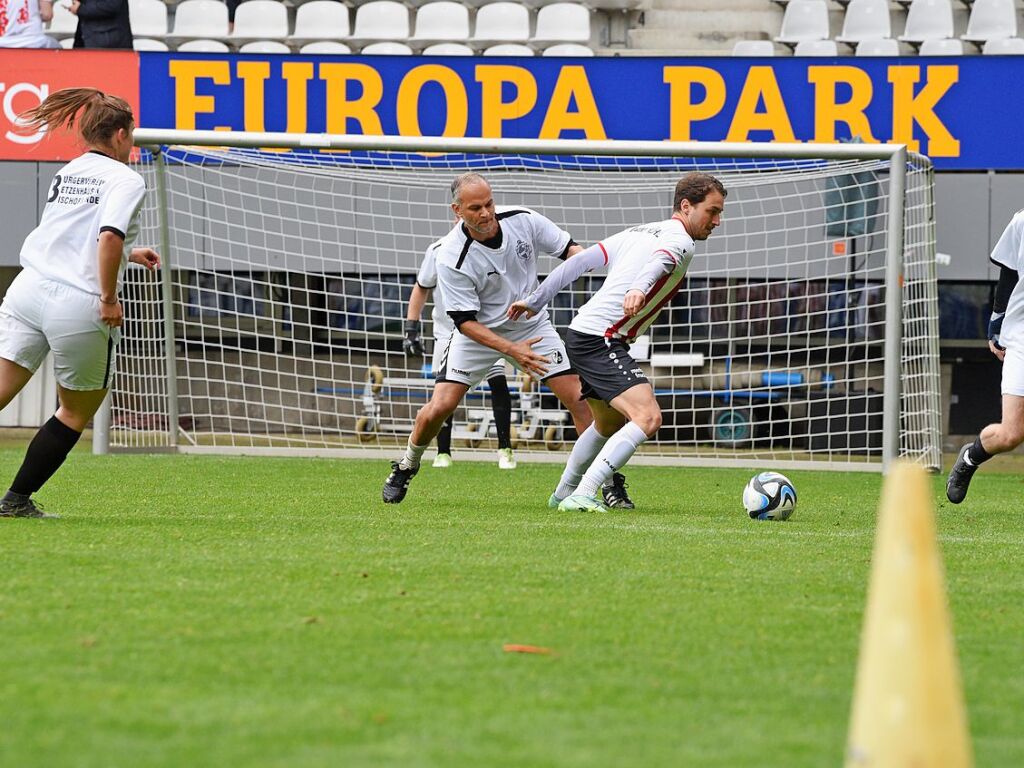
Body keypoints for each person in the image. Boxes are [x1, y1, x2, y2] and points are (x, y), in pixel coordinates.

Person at [381, 172, 634, 508]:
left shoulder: (523, 220)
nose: (485, 213)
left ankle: (607, 483)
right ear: (457, 211)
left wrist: (594, 265)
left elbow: (571, 250)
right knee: (440, 407)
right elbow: (465, 323)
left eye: (489, 203)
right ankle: (406, 465)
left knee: (581, 399)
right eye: (475, 208)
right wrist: (512, 351)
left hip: (532, 327)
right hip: (476, 336)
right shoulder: (451, 255)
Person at [508, 172, 726, 512]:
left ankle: (563, 493)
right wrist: (639, 287)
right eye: (712, 211)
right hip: (601, 338)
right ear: (686, 206)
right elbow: (660, 262)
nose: (717, 221)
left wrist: (536, 299)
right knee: (648, 417)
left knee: (607, 424)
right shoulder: (680, 240)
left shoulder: (639, 231)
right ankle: (586, 491)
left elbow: (579, 262)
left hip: (583, 333)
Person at [0, 88, 159, 518]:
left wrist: (130, 252)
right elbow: (108, 235)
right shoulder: (127, 178)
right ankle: (15, 501)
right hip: (78, 301)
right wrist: (109, 297)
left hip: (29, 287)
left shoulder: (70, 170)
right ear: (122, 134)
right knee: (74, 410)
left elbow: (79, 234)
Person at [404, 240, 517, 470]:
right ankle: (443, 452)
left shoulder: (488, 248)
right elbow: (421, 286)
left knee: (498, 382)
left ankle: (505, 449)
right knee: (443, 396)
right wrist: (411, 328)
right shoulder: (438, 250)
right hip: (447, 334)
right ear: (456, 213)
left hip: (483, 331)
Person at [946, 208, 1024, 503]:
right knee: (1010, 434)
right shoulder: (1022, 221)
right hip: (1022, 334)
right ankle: (970, 458)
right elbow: (1010, 270)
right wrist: (997, 319)